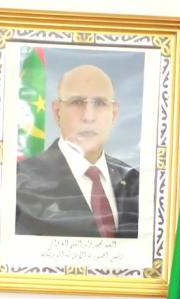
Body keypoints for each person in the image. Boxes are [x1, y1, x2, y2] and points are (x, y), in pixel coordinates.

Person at [15, 64, 139, 238]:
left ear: (114, 113)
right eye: (77, 102)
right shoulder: (20, 182)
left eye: (100, 103)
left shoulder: (135, 182)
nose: (89, 116)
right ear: (57, 112)